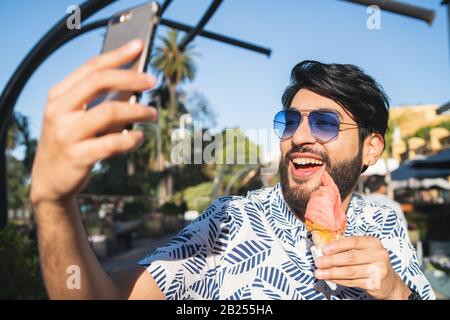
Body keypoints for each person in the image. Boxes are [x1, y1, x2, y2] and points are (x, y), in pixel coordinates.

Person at [30, 39, 434, 300]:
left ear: (371, 147)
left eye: (325, 123)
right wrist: (52, 203)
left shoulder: (384, 219)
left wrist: (399, 293)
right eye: (291, 121)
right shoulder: (230, 221)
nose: (300, 136)